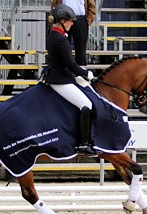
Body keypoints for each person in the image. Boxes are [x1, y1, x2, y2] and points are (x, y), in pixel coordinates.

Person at [44, 4, 95, 153]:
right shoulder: (61, 40)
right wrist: (86, 74)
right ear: (62, 21)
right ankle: (83, 143)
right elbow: (71, 65)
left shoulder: (53, 34)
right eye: (70, 21)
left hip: (58, 75)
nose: (72, 24)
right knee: (86, 105)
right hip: (60, 80)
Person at [50, 0, 96, 66]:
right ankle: (63, 71)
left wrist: (88, 20)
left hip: (80, 19)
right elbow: (54, 3)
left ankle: (81, 72)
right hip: (64, 19)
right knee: (62, 47)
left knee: (81, 50)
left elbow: (91, 5)